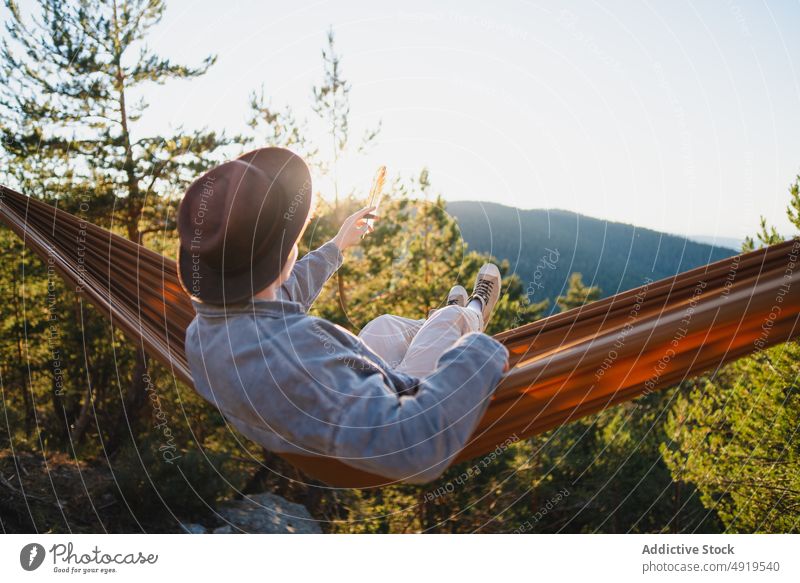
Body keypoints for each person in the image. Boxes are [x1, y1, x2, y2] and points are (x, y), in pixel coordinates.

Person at [178, 147, 509, 484]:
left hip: (335, 403)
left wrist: (337, 245)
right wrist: (484, 352)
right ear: (283, 255)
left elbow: (276, 297)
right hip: (394, 411)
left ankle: (439, 326)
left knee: (385, 326)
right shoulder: (291, 359)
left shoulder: (204, 332)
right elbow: (412, 446)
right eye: (293, 239)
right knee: (450, 322)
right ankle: (471, 313)